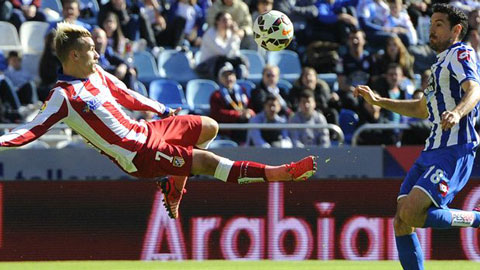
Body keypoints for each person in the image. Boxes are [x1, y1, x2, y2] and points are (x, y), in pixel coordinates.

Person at [0, 22, 317, 219]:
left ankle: (174, 187)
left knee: (208, 127)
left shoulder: (96, 74)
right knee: (206, 161)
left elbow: (126, 94)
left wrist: (162, 110)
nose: (98, 55)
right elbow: (30, 131)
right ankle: (280, 174)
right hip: (138, 154)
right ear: (74, 56)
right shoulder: (63, 96)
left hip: (148, 129)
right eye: (92, 50)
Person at [354, 4, 480, 270]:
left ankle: (476, 219)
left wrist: (457, 113)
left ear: (456, 30)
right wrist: (378, 101)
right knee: (402, 220)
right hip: (431, 150)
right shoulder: (438, 64)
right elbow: (421, 108)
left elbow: (475, 89)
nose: (431, 30)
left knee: (413, 212)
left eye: (438, 25)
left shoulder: (461, 53)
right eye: (431, 23)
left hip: (454, 148)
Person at [209, 62, 255, 144]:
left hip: (244, 127)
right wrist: (237, 115)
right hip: (228, 131)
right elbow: (217, 114)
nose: (229, 78)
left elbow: (250, 106)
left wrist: (249, 112)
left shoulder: (242, 91)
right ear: (220, 78)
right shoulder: (216, 95)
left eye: (231, 75)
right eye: (225, 76)